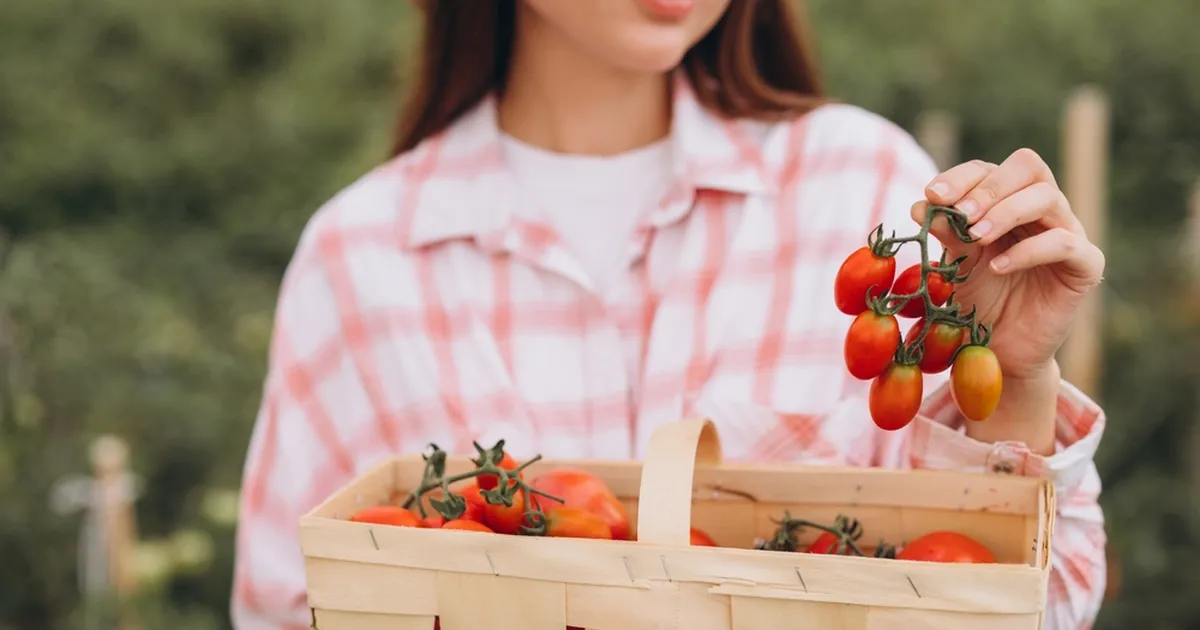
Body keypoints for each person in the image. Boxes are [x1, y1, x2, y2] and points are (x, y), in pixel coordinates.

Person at [231, 0, 1108, 628]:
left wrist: (1017, 380)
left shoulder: (863, 187)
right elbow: (286, 609)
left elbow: (1039, 607)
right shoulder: (360, 257)